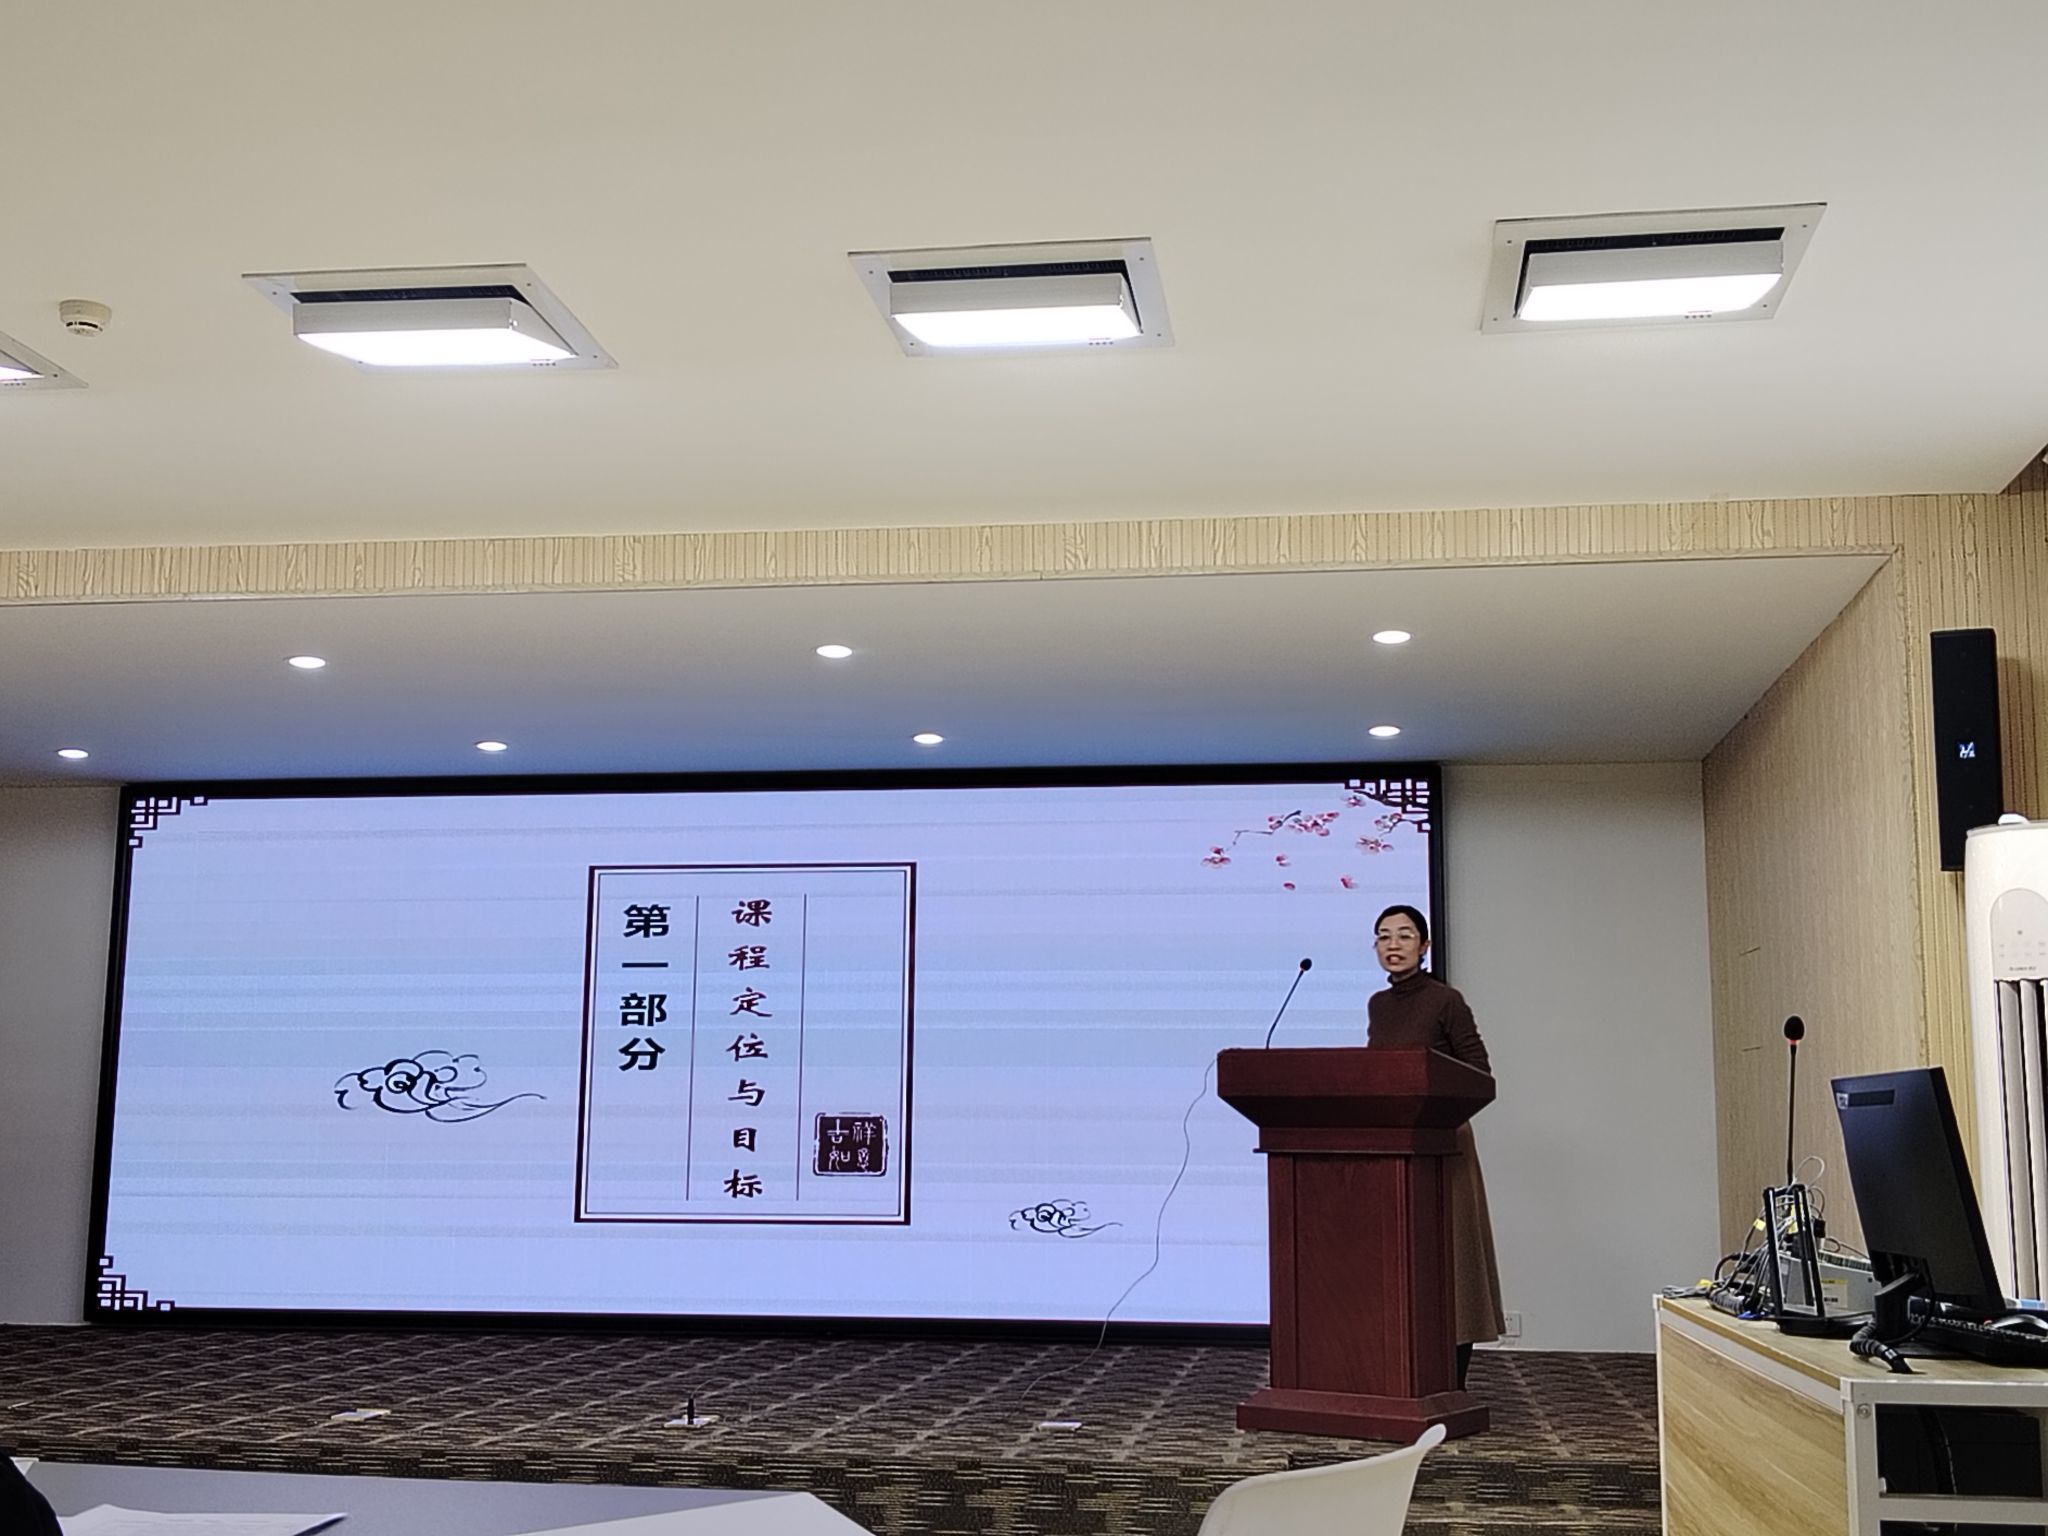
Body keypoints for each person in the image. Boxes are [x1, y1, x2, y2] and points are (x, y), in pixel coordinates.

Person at [1365, 903, 1505, 1389]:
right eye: (1384, 936)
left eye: (1405, 935)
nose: (1393, 944)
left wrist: (1436, 1109)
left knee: (1453, 1264)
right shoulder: (1378, 1005)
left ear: (1424, 946)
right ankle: (1403, 1378)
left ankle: (1451, 1384)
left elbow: (1479, 1074)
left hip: (1444, 1146)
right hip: (1394, 1148)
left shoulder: (1446, 1000)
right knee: (1404, 1266)